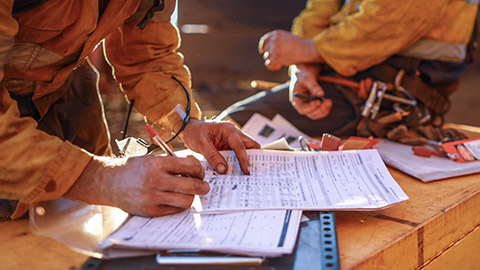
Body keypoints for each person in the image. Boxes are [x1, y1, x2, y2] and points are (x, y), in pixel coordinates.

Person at [0, 0, 260, 220]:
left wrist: (186, 124)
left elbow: (147, 54)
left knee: (91, 220)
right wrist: (101, 178)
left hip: (68, 87)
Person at [220, 0, 478, 145]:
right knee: (227, 132)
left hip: (394, 99)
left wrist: (309, 49)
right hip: (339, 81)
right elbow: (319, 9)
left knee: (233, 127)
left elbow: (391, 19)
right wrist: (304, 68)